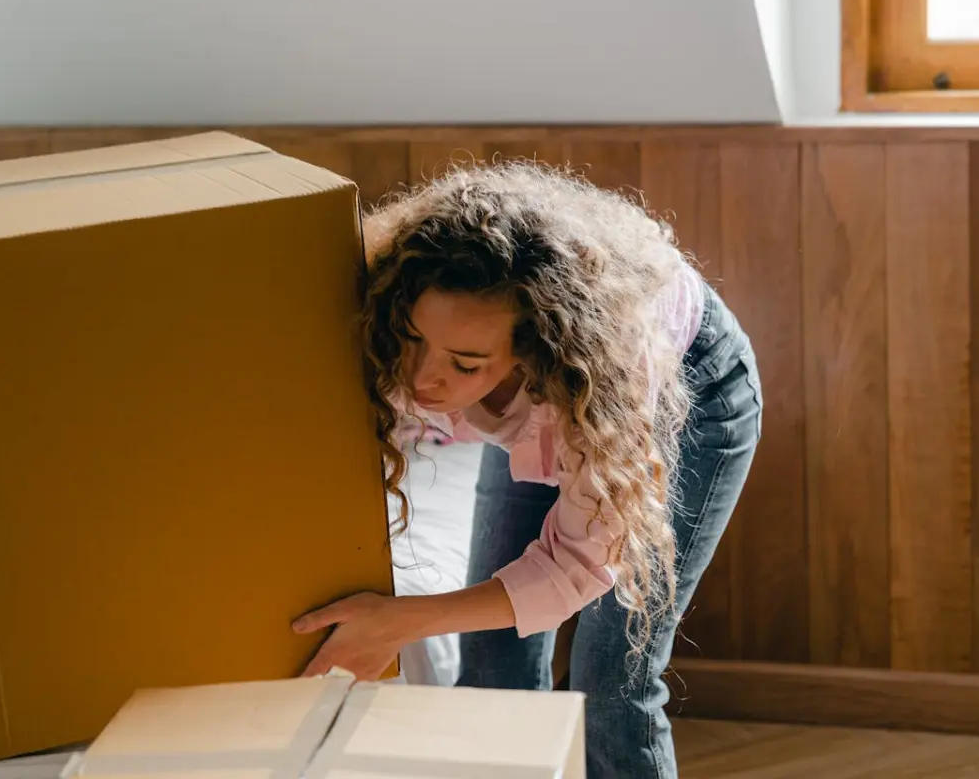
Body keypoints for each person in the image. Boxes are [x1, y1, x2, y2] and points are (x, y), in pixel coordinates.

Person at [292, 160, 762, 778]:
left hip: (688, 392)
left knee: (611, 682)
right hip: (565, 399)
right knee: (490, 664)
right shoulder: (400, 336)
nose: (422, 379)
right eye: (413, 340)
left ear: (532, 353)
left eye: (464, 365)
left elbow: (577, 566)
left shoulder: (598, 377)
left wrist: (402, 622)